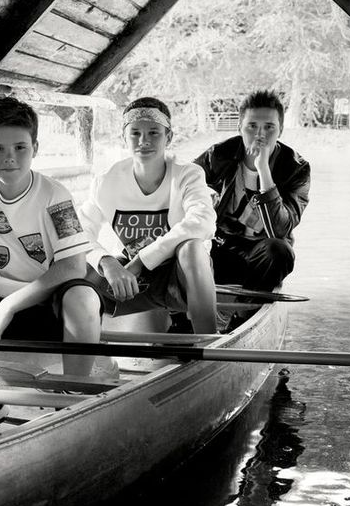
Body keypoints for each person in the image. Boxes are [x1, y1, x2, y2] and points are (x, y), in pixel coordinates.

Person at [0, 97, 105, 377]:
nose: (9, 157)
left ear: (35, 148)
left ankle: (76, 390)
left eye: (20, 147)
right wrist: (15, 296)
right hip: (9, 294)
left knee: (81, 297)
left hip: (56, 300)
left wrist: (11, 304)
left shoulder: (55, 195)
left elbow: (73, 267)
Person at [78, 97, 218, 334]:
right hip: (135, 279)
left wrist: (142, 260)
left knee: (192, 247)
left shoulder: (188, 174)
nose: (144, 141)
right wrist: (107, 262)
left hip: (181, 277)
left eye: (154, 133)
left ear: (169, 137)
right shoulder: (105, 182)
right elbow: (78, 231)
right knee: (78, 271)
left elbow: (202, 222)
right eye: (135, 133)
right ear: (124, 137)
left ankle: (209, 341)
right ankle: (88, 351)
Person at [193, 89, 310, 291]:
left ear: (280, 130)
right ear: (240, 127)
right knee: (186, 246)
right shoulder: (218, 156)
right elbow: (183, 189)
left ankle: (247, 307)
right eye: (252, 126)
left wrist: (263, 168)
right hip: (219, 247)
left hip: (261, 255)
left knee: (280, 251)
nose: (260, 135)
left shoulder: (295, 169)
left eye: (269, 127)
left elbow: (280, 230)